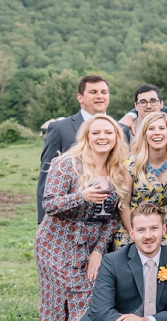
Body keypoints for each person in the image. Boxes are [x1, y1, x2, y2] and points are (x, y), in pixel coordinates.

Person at [35, 113, 130, 321]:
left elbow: (112, 219)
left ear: (116, 138)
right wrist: (82, 197)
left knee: (89, 299)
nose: (102, 137)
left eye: (108, 133)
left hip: (90, 246)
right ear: (86, 136)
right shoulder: (66, 164)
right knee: (62, 301)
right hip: (56, 242)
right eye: (96, 132)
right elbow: (50, 204)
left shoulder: (118, 170)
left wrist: (99, 251)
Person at [36, 74, 111, 223]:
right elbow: (46, 174)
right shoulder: (60, 128)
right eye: (93, 92)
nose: (99, 96)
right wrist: (43, 219)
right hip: (70, 219)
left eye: (104, 92)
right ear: (80, 97)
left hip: (109, 220)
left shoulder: (121, 129)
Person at [115, 111, 167, 249]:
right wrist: (136, 233)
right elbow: (123, 204)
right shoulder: (131, 164)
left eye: (162, 128)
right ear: (144, 134)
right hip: (131, 233)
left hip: (162, 234)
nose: (157, 133)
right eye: (151, 129)